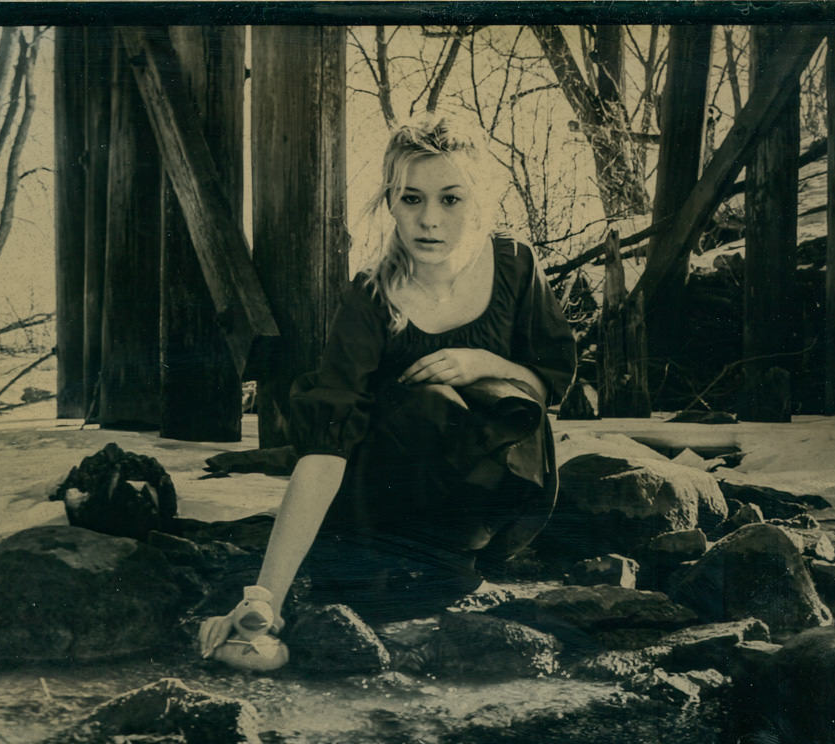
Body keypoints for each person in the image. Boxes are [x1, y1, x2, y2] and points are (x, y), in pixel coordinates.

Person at [200, 114, 577, 671]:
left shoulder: (516, 264)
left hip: (485, 502)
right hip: (388, 503)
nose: (429, 221)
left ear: (478, 199)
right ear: (390, 202)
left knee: (505, 397)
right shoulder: (371, 297)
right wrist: (265, 598)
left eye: (451, 199)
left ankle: (460, 559)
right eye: (411, 199)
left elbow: (551, 384)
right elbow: (327, 446)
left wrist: (483, 362)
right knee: (429, 403)